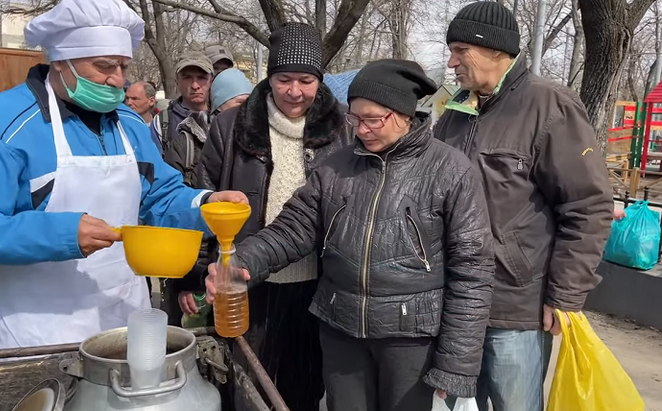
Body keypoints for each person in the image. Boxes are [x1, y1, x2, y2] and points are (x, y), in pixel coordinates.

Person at [0, 0, 246, 350]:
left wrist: (203, 203)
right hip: (40, 330)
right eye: (104, 66)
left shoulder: (129, 124)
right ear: (61, 60)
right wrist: (61, 233)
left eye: (122, 65)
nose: (118, 79)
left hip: (125, 321)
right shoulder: (4, 122)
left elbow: (160, 197)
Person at [204, 59, 495, 411]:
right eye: (354, 119)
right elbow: (291, 229)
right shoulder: (335, 167)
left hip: (411, 342)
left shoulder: (451, 171)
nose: (361, 130)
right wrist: (239, 262)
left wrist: (456, 365)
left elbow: (473, 273)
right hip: (342, 333)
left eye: (372, 119)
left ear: (404, 115)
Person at [433, 3, 614, 411]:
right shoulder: (455, 112)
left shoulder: (549, 106)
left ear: (493, 49)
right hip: (454, 303)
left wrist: (565, 294)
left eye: (460, 50)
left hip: (514, 308)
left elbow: (588, 205)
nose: (451, 62)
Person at [180, 22, 355, 411]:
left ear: (319, 81)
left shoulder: (343, 126)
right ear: (269, 77)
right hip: (247, 281)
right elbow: (203, 203)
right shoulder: (232, 126)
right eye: (284, 79)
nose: (295, 91)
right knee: (245, 385)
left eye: (306, 80)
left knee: (304, 388)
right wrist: (193, 275)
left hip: (317, 284)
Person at [151, 51, 213, 155]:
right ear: (177, 82)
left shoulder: (223, 117)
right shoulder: (162, 122)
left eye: (201, 78)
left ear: (211, 81)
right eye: (187, 78)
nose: (195, 85)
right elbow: (155, 166)